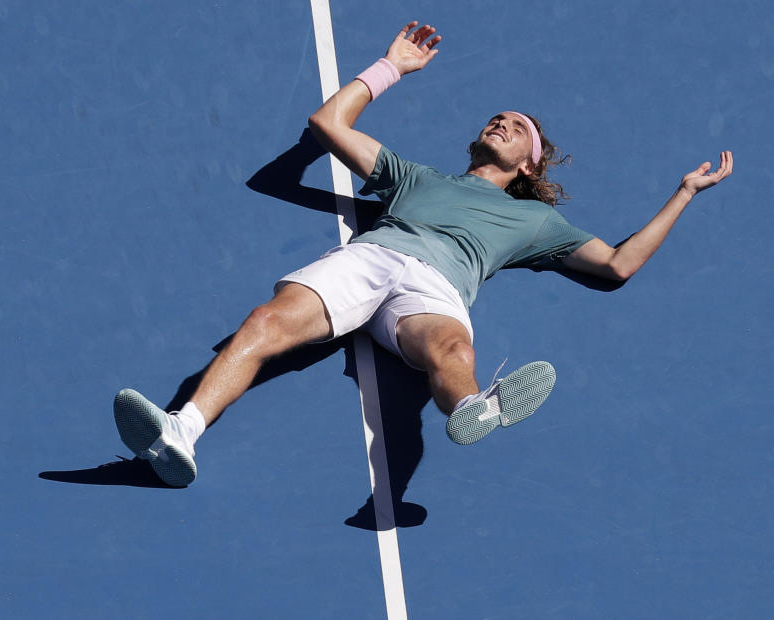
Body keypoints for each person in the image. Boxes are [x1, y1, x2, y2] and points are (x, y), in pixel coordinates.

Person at [113, 21, 734, 487]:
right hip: (379, 255)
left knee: (453, 350)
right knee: (266, 323)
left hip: (438, 288)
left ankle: (472, 407)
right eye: (496, 117)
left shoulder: (539, 221)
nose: (500, 122)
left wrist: (683, 193)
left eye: (516, 126)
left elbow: (619, 266)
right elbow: (329, 124)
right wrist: (390, 66)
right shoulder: (418, 178)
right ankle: (181, 433)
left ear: (529, 163)